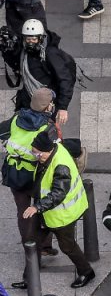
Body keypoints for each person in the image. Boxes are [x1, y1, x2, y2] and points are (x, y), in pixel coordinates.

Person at [22, 132, 94, 287]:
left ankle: (86, 272)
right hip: (47, 211)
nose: (35, 156)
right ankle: (29, 278)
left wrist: (37, 207)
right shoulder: (53, 151)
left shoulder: (61, 165)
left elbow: (58, 193)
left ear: (47, 150)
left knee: (67, 246)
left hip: (62, 215)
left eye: (37, 153)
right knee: (33, 242)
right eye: (33, 152)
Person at [1, 87, 58, 258]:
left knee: (23, 211)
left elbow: (3, 132)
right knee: (43, 208)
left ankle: (30, 249)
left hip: (14, 172)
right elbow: (54, 153)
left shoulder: (17, 118)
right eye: (51, 103)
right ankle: (44, 245)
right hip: (37, 175)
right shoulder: (47, 127)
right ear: (47, 107)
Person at [1, 21, 76, 122]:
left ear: (41, 38)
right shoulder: (23, 50)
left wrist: (63, 107)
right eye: (28, 39)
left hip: (45, 102)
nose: (30, 42)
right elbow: (16, 64)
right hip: (27, 97)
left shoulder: (51, 54)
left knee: (42, 130)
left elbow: (65, 80)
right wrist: (7, 51)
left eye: (34, 39)